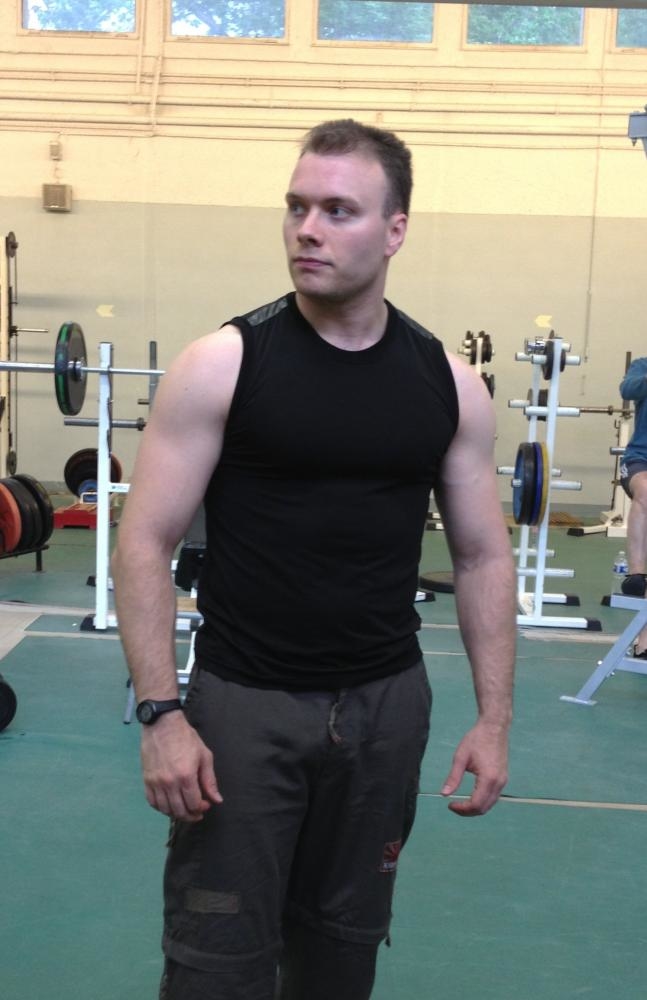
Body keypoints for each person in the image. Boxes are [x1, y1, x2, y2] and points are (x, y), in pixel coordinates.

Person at [112, 118, 516, 1000]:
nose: (307, 228)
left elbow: (483, 556)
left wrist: (493, 719)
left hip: (383, 709)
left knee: (341, 956)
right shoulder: (222, 364)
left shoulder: (447, 383)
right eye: (296, 207)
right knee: (216, 967)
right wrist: (160, 714)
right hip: (244, 709)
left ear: (395, 229)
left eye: (338, 210)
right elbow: (144, 539)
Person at [619, 356, 647, 656]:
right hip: (640, 460)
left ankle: (643, 644)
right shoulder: (643, 365)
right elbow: (627, 390)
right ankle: (636, 574)